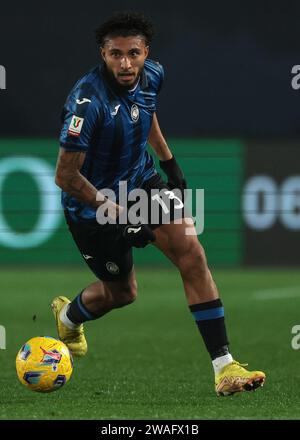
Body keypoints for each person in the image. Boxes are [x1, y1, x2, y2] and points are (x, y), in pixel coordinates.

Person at [52, 11, 265, 396]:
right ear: (103, 53)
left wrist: (168, 161)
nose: (126, 63)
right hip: (91, 206)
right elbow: (65, 177)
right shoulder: (86, 102)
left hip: (140, 182)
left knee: (191, 252)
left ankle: (224, 366)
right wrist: (116, 213)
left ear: (146, 52)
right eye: (115, 54)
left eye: (133, 53)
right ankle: (68, 316)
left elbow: (145, 111)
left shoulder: (153, 75)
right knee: (122, 293)